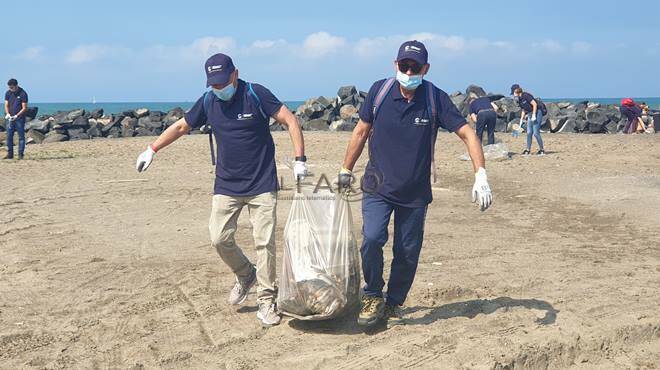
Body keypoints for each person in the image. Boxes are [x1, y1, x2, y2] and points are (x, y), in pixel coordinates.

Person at [135, 53, 307, 327]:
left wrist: (300, 160)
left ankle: (267, 299)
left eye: (222, 82)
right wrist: (152, 149)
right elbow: (182, 126)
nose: (219, 88)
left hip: (262, 183)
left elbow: (289, 119)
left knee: (264, 243)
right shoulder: (208, 100)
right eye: (213, 84)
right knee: (218, 237)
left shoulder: (256, 93)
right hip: (227, 184)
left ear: (235, 74)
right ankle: (245, 273)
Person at [337, 41, 492, 327]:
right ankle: (372, 295)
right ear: (395, 65)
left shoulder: (435, 98)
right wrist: (346, 169)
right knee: (371, 239)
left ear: (426, 69)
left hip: (415, 192)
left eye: (415, 67)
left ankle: (394, 302)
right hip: (377, 186)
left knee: (407, 253)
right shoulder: (379, 92)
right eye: (404, 65)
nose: (408, 71)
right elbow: (360, 132)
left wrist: (480, 174)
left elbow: (468, 134)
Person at [511, 84, 545, 156]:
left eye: (513, 93)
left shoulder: (526, 95)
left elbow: (534, 104)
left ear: (516, 90)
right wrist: (521, 121)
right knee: (529, 132)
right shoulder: (519, 100)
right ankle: (528, 150)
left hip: (537, 113)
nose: (513, 95)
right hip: (529, 114)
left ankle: (542, 150)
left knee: (535, 133)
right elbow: (523, 110)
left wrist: (533, 115)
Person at [4, 78, 28, 160]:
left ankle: (20, 154)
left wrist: (17, 116)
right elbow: (6, 105)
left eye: (12, 87)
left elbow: (24, 108)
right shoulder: (8, 93)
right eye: (9, 87)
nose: (10, 89)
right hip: (10, 119)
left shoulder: (23, 93)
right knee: (9, 136)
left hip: (19, 119)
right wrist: (7, 114)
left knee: (21, 137)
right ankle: (10, 154)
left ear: (16, 86)